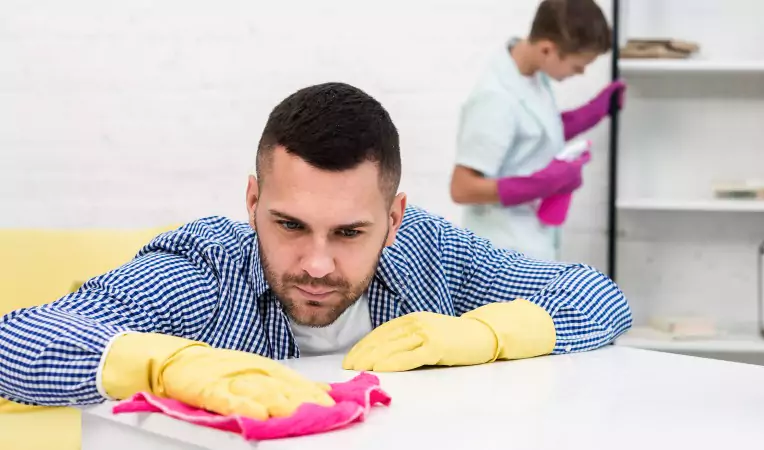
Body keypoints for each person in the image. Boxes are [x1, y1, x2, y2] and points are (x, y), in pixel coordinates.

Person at [0, 82, 632, 421]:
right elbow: (15, 343)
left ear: (393, 218)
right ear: (252, 202)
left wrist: (487, 334)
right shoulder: (204, 271)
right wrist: (161, 364)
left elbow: (598, 297)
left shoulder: (430, 252)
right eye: (290, 225)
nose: (317, 264)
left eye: (350, 233)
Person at [450, 0, 626, 261]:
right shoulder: (495, 98)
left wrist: (592, 112)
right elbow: (462, 188)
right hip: (500, 253)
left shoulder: (533, 75)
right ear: (547, 49)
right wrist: (541, 184)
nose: (581, 72)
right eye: (578, 66)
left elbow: (533, 135)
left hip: (532, 242)